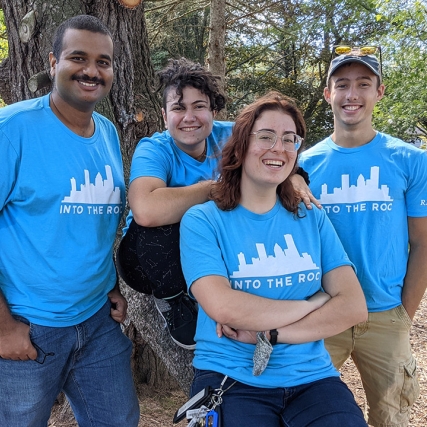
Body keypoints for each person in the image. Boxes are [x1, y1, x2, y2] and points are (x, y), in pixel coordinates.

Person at [178, 91, 368, 426]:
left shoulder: (311, 217)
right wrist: (314, 302)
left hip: (312, 378)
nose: (278, 148)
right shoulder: (203, 221)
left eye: (289, 139)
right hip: (232, 377)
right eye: (265, 136)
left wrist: (271, 334)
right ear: (241, 145)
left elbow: (353, 306)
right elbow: (223, 307)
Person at [0, 15, 139, 426]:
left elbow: (93, 223)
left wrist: (111, 285)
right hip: (28, 324)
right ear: (52, 62)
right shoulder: (13, 130)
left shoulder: (109, 134)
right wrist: (3, 324)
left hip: (97, 323)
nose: (92, 71)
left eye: (104, 61)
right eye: (78, 57)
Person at [297, 46, 427, 426]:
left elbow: (422, 242)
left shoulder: (410, 160)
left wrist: (405, 313)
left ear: (379, 92)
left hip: (387, 315)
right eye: (342, 85)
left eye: (363, 84)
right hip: (323, 312)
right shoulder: (303, 165)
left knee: (392, 418)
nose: (351, 94)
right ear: (328, 94)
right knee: (305, 412)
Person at [116, 58, 233, 350]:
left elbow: (279, 148)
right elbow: (146, 209)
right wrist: (212, 189)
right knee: (161, 219)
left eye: (199, 106)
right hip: (149, 260)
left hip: (212, 249)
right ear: (165, 116)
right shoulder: (155, 148)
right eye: (179, 108)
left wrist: (295, 177)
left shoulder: (232, 137)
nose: (189, 117)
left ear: (214, 112)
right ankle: (171, 300)